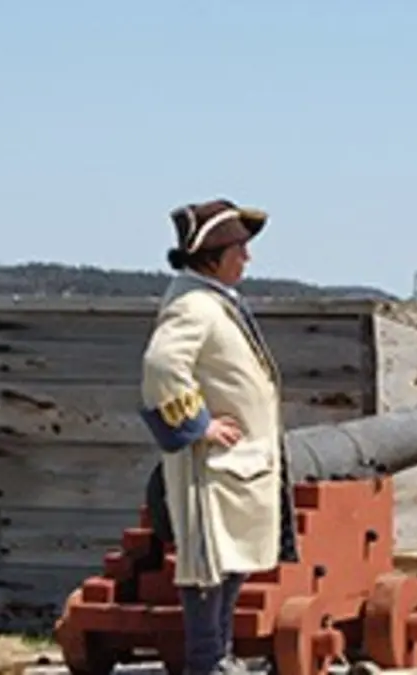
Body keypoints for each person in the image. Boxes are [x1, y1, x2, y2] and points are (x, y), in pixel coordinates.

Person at [138, 198, 297, 675]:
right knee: (207, 565)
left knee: (233, 562)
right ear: (214, 255)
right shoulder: (193, 305)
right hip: (210, 466)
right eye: (240, 249)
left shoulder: (212, 302)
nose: (247, 258)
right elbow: (161, 365)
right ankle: (207, 661)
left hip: (237, 463)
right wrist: (197, 425)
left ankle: (220, 656)